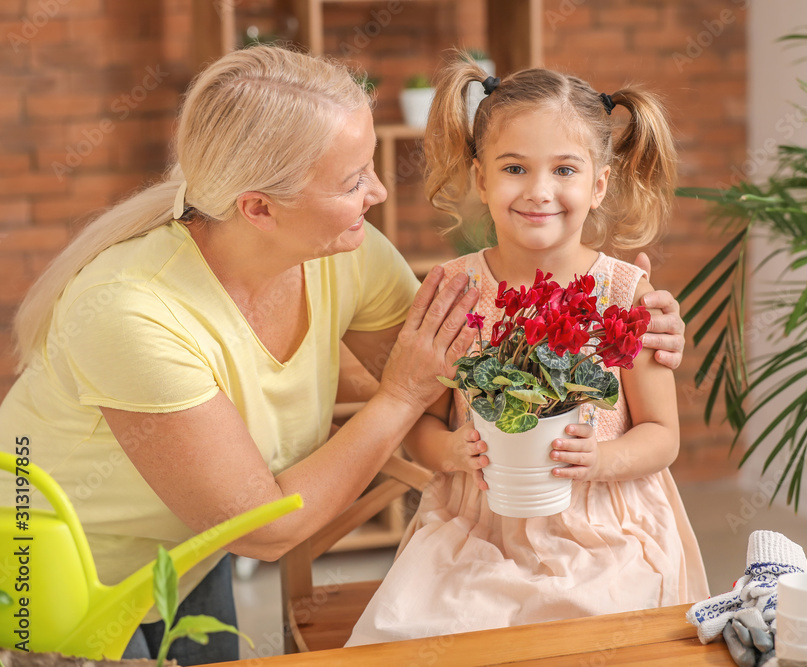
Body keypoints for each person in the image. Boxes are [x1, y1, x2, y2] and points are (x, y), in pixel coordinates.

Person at [0, 46, 687, 664]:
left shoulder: (343, 254)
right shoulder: (131, 312)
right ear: (260, 208)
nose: (380, 191)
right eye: (353, 178)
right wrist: (398, 400)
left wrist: (635, 334)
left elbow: (470, 369)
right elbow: (269, 525)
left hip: (188, 546)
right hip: (44, 568)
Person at [346, 57, 709, 646]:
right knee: (412, 635)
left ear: (598, 185)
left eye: (564, 169)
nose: (539, 191)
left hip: (605, 530)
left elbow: (662, 435)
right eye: (514, 167)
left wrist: (601, 460)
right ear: (481, 179)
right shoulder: (452, 290)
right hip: (475, 527)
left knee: (588, 643)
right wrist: (450, 452)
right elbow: (424, 426)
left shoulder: (625, 295)